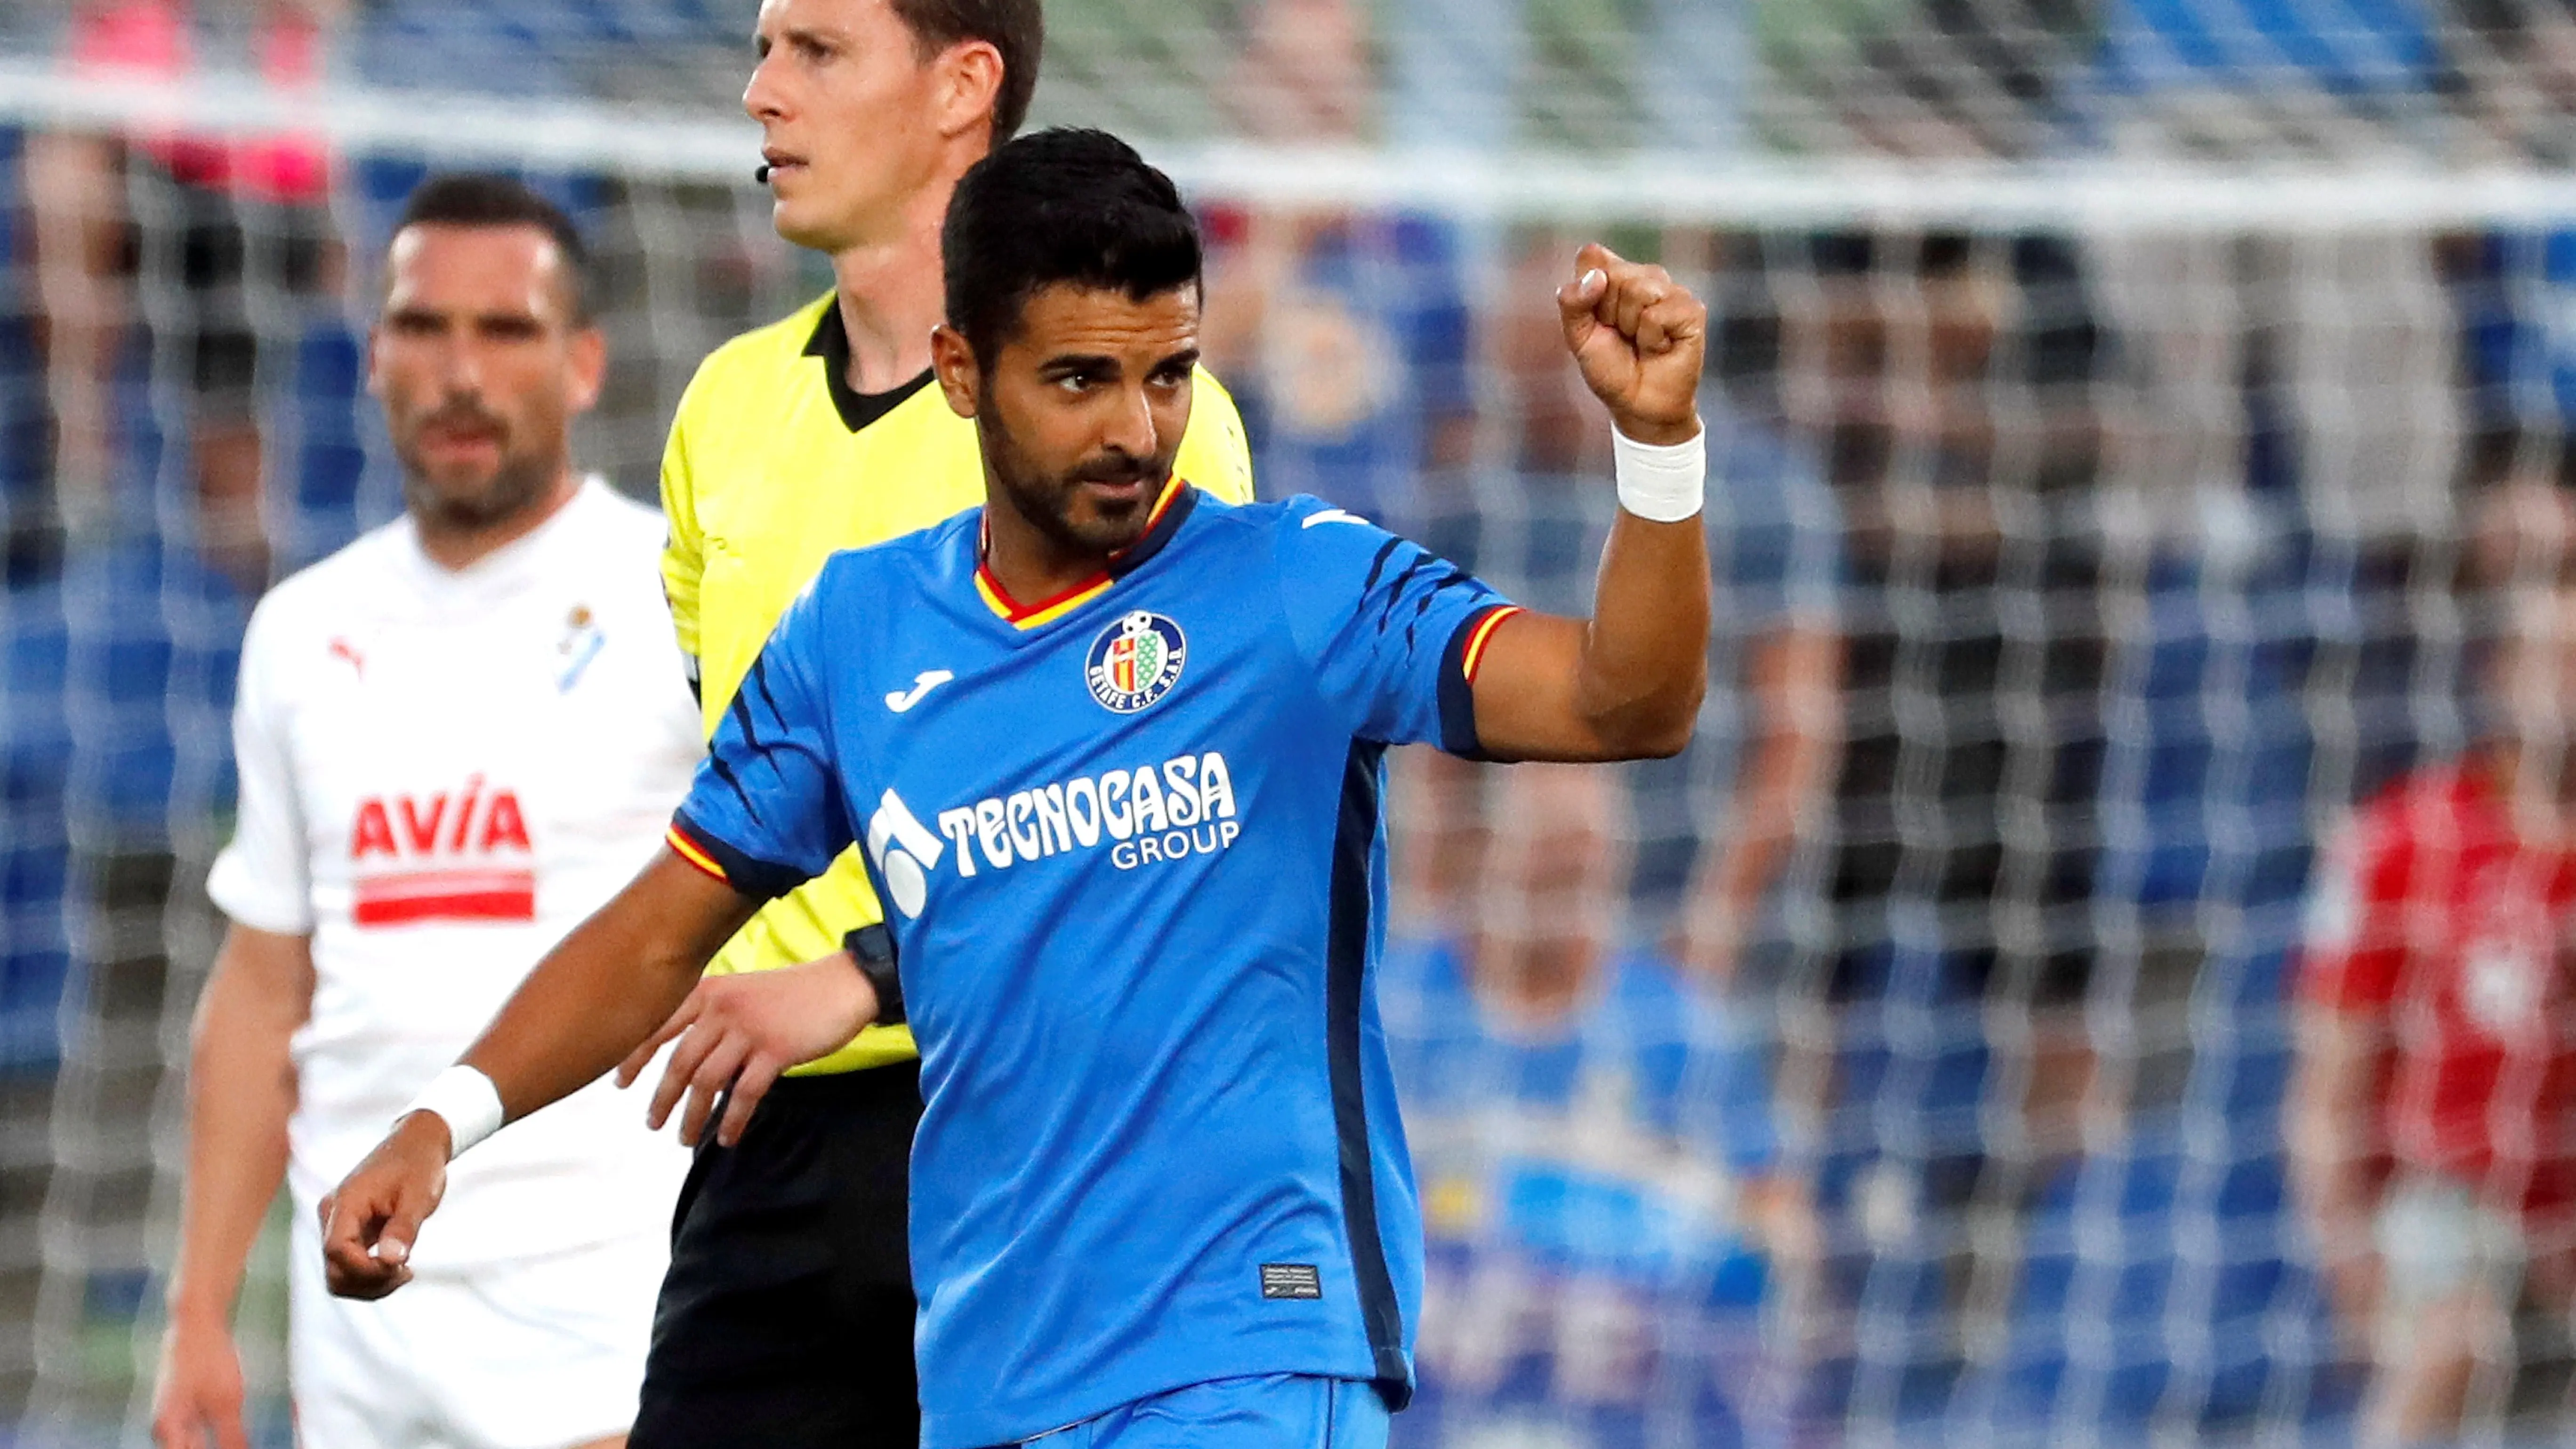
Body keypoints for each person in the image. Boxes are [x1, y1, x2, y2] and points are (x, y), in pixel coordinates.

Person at [317, 127, 1710, 1449]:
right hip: (988, 1374)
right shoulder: (858, 633)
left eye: (1166, 373)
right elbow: (662, 926)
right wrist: (448, 1117)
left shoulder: (1298, 586)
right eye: (1079, 380)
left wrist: (1657, 453)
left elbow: (1625, 700)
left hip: (1248, 1347)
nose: (1135, 428)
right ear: (962, 370)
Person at [630, 5, 1254, 1441]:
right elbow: (740, 794)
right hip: (767, 1149)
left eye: (815, 53)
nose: (758, 93)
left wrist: (864, 968)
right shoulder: (723, 413)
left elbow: (1158, 826)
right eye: (763, 49)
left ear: (964, 87)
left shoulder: (1143, 427)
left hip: (1045, 1125)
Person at [145, 175, 700, 1449]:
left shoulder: (676, 592)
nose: (460, 370)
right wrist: (200, 1311)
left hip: (607, 1304)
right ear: (376, 351)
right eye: (422, 326)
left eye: (504, 331)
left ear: (582, 363)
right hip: (361, 1334)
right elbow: (264, 983)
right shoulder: (300, 631)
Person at [2287, 480, 2576, 1447]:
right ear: (2499, 673)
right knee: (2458, 1330)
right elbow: (2327, 1086)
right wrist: (2351, 1269)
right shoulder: (2403, 839)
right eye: (2551, 661)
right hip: (2446, 1214)